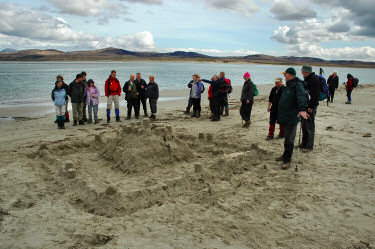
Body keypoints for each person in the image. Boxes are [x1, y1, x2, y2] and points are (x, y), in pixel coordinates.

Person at [277, 68, 309, 170]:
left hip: (292, 117)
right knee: (286, 138)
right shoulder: (289, 84)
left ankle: (287, 160)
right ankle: (285, 155)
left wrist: (302, 109)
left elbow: (301, 97)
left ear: (290, 75)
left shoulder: (297, 85)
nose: (284, 76)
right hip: (286, 116)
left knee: (289, 139)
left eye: (285, 74)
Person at [300, 65, 321, 152]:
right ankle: (304, 143)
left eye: (302, 71)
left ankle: (309, 146)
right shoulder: (308, 79)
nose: (301, 73)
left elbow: (315, 95)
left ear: (306, 72)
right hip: (306, 105)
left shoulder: (314, 79)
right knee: (304, 125)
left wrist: (311, 107)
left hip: (311, 106)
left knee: (309, 125)